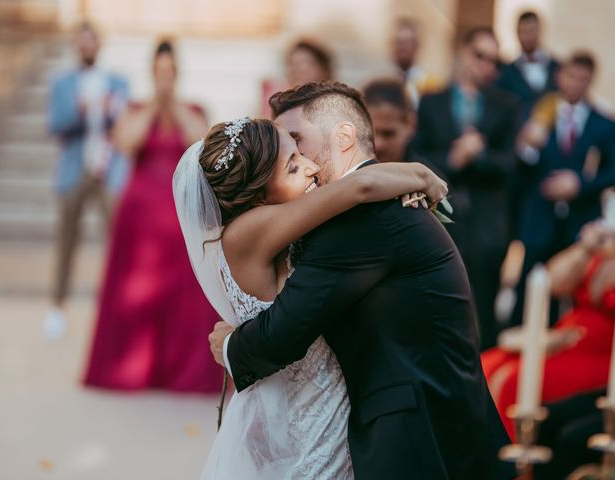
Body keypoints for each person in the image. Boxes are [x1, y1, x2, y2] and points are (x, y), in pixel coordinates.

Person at [207, 82, 514, 479]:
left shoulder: (359, 219)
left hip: (417, 435)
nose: (306, 164)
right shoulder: (359, 208)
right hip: (419, 422)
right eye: (291, 157)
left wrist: (230, 345)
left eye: (299, 144)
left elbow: (284, 331)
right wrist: (417, 175)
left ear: (344, 137)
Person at [174, 106, 449, 476]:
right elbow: (358, 187)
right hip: (303, 420)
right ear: (256, 197)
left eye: (299, 153)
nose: (311, 167)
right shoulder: (248, 232)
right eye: (292, 166)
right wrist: (422, 176)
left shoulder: (272, 230)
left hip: (318, 408)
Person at [83, 41, 219, 392]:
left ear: (177, 72)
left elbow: (200, 143)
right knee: (138, 286)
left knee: (183, 290)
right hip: (140, 212)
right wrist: (155, 104)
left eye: (169, 72)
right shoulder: (135, 108)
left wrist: (171, 103)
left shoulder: (192, 108)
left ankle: (179, 369)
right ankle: (133, 368)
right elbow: (127, 144)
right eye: (159, 72)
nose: (164, 78)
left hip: (180, 213)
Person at [411, 27, 521, 350]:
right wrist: (453, 159)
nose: (486, 65)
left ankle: (486, 372)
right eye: (480, 55)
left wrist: (480, 154)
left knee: (484, 303)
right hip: (442, 215)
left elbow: (511, 162)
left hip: (488, 221)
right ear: (463, 51)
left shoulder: (507, 105)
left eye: (494, 60)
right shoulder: (432, 101)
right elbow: (418, 154)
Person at [483, 219, 615, 440]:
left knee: (509, 381)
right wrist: (584, 247)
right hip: (568, 336)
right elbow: (553, 282)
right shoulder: (603, 241)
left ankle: (515, 467)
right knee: (486, 366)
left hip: (603, 354)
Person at [510, 51, 615, 327]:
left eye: (583, 79)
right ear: (560, 76)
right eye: (571, 77)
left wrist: (579, 183)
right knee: (527, 288)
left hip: (578, 222)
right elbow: (520, 165)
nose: (576, 84)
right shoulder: (539, 112)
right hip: (540, 217)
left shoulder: (603, 124)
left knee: (568, 297)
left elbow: (611, 171)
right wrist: (528, 145)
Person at [45, 22, 129, 338]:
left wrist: (109, 109)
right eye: (82, 42)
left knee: (118, 240)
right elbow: (54, 124)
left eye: (91, 41)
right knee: (66, 242)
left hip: (108, 172)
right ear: (75, 45)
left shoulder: (116, 82)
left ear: (99, 44)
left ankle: (118, 308)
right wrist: (80, 111)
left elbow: (125, 123)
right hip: (74, 171)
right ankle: (57, 307)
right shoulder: (62, 82)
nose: (87, 46)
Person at [496, 10, 559, 123]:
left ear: (540, 30)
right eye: (523, 32)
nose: (527, 37)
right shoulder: (507, 73)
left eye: (531, 31)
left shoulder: (558, 69)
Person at [260, 39, 333, 117]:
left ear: (323, 69)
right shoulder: (277, 100)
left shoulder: (334, 103)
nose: (296, 69)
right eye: (292, 63)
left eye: (304, 62)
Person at [362, 77, 416, 164]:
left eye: (388, 134)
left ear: (410, 125)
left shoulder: (426, 176)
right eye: (370, 135)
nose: (378, 144)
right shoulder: (342, 175)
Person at [392, 18, 443, 108]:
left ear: (417, 46)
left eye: (407, 42)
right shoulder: (385, 80)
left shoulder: (433, 84)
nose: (402, 47)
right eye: (399, 42)